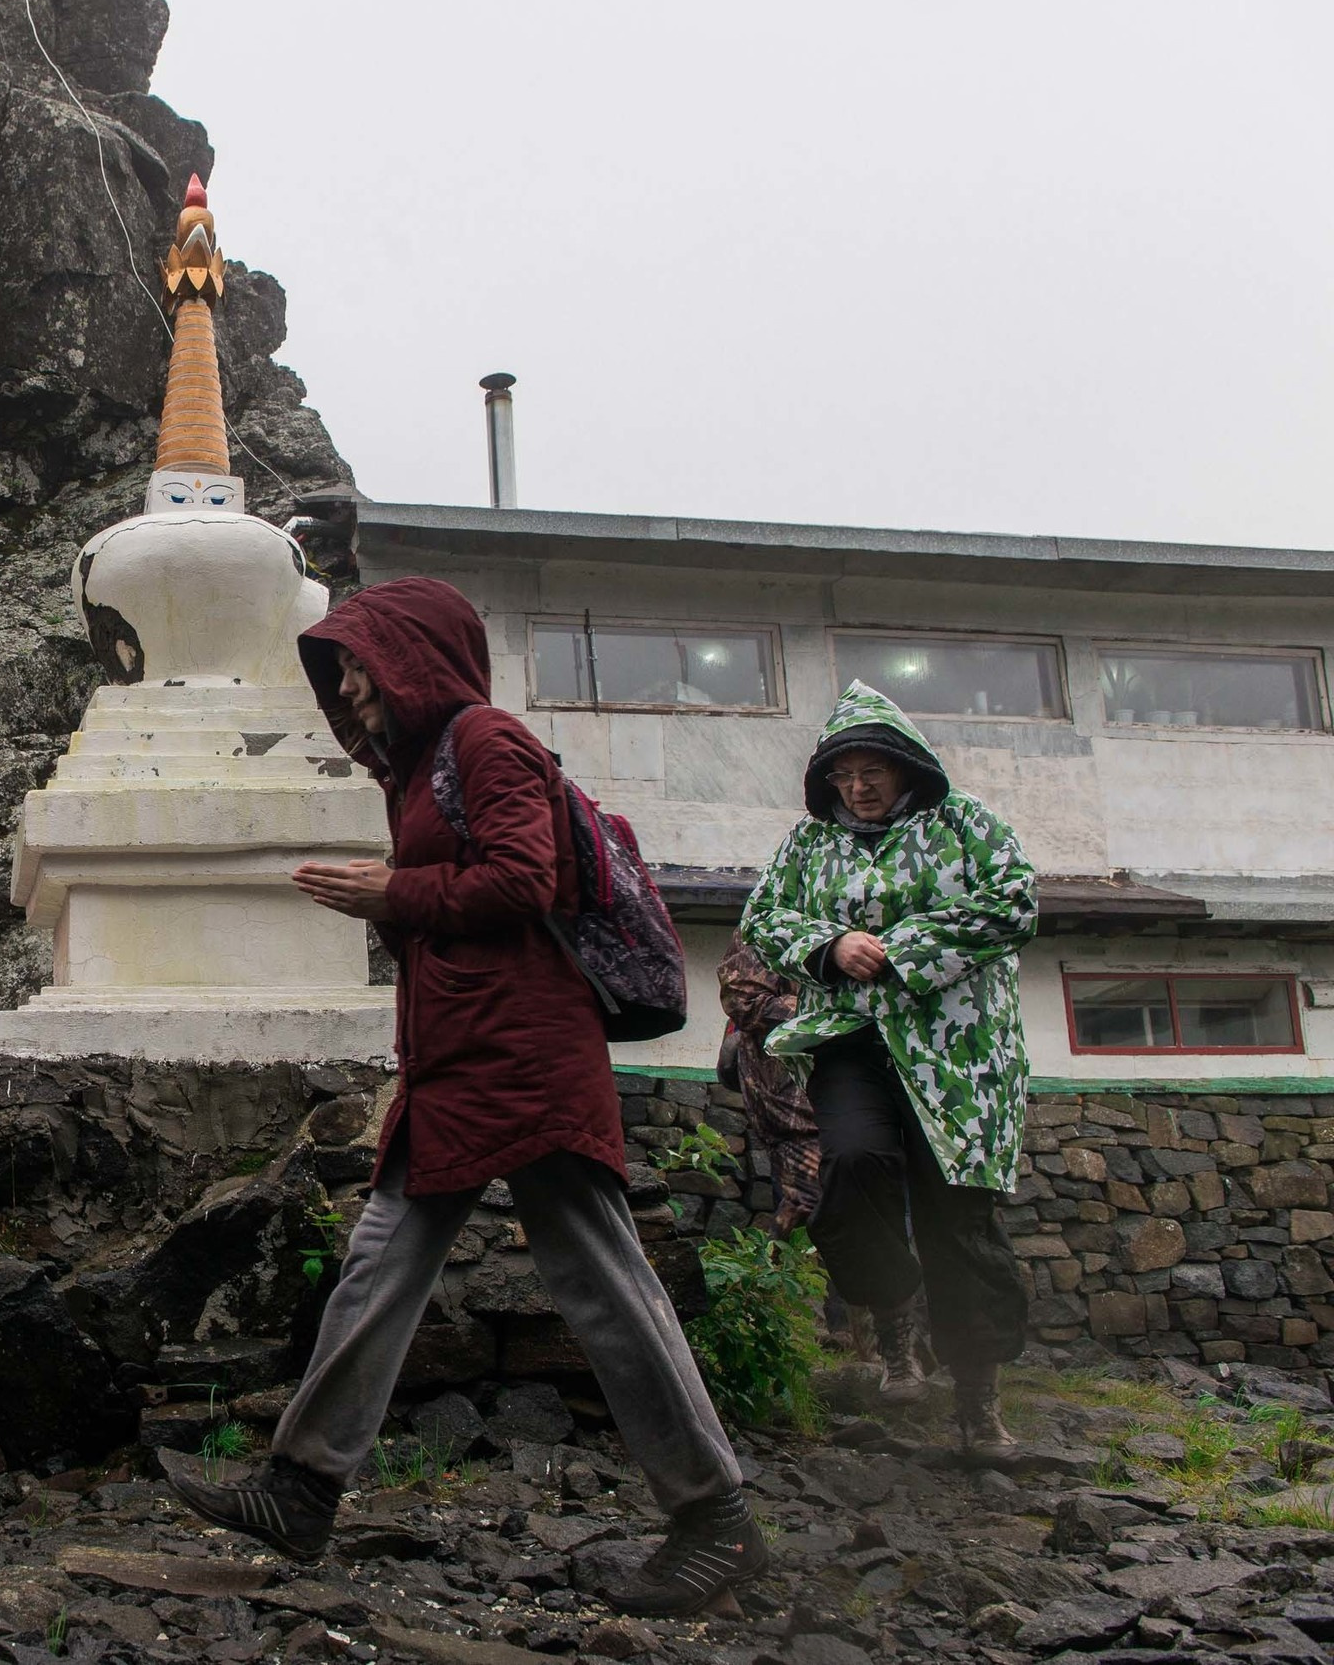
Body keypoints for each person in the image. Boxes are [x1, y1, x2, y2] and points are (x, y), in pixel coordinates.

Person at [165, 578, 765, 1618]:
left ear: (413, 660)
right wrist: (396, 902)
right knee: (379, 1264)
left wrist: (390, 892)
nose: (349, 691)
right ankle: (301, 1487)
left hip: (524, 1056)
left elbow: (523, 881)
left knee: (601, 1281)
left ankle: (717, 1519)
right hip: (457, 1059)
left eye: (359, 667)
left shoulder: (484, 740)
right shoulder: (417, 773)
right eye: (340, 675)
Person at [738, 681, 1036, 1459]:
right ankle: (896, 1315)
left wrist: (902, 950)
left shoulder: (965, 824)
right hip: (852, 1038)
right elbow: (763, 917)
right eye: (843, 776)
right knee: (848, 1165)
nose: (858, 788)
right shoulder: (808, 844)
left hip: (960, 1052)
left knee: (957, 1219)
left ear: (907, 766)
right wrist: (829, 945)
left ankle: (978, 1406)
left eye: (871, 772)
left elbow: (1013, 902)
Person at [717, 937, 817, 1240]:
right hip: (793, 1105)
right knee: (807, 1205)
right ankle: (778, 1266)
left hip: (867, 1098)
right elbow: (742, 1000)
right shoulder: (765, 925)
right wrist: (831, 1010)